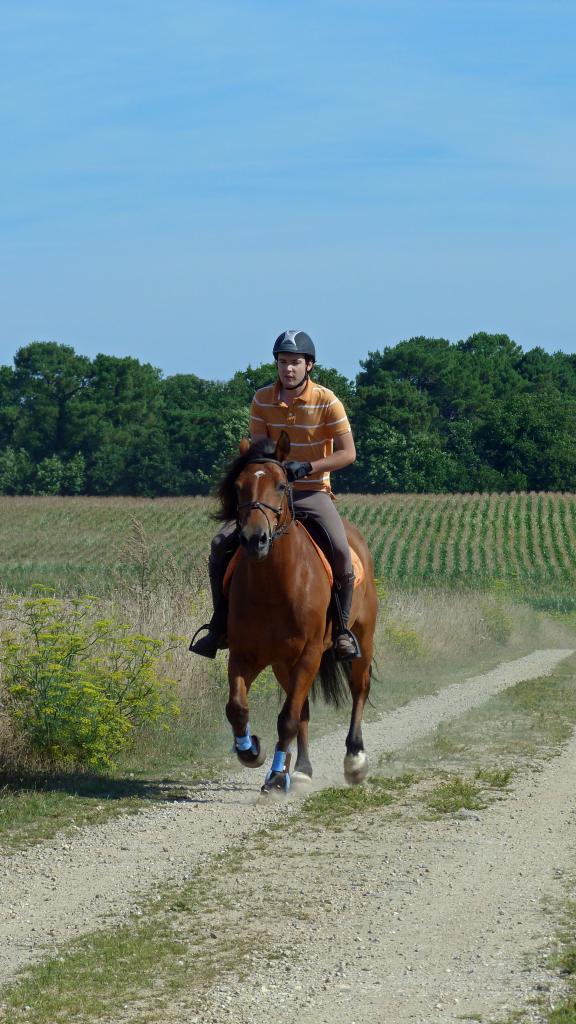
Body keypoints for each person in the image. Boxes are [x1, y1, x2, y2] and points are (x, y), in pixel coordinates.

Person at [190, 330, 360, 660]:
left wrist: (307, 467)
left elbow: (348, 453)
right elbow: (259, 452)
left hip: (311, 491)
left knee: (340, 550)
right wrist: (276, 472)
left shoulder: (327, 401)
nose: (288, 369)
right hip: (269, 493)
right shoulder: (262, 399)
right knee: (219, 544)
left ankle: (341, 630)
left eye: (295, 362)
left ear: (309, 365)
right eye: (283, 362)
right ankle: (219, 624)